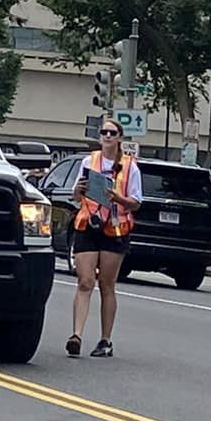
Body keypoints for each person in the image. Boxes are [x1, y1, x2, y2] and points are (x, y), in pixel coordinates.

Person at [65, 121, 143, 359]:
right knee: (85, 281)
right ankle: (76, 335)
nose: (107, 136)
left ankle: (105, 340)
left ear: (119, 138)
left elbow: (137, 202)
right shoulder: (89, 161)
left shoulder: (130, 167)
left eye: (112, 133)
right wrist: (78, 189)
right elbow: (76, 196)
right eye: (104, 132)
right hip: (89, 223)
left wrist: (118, 198)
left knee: (106, 285)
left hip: (115, 229)